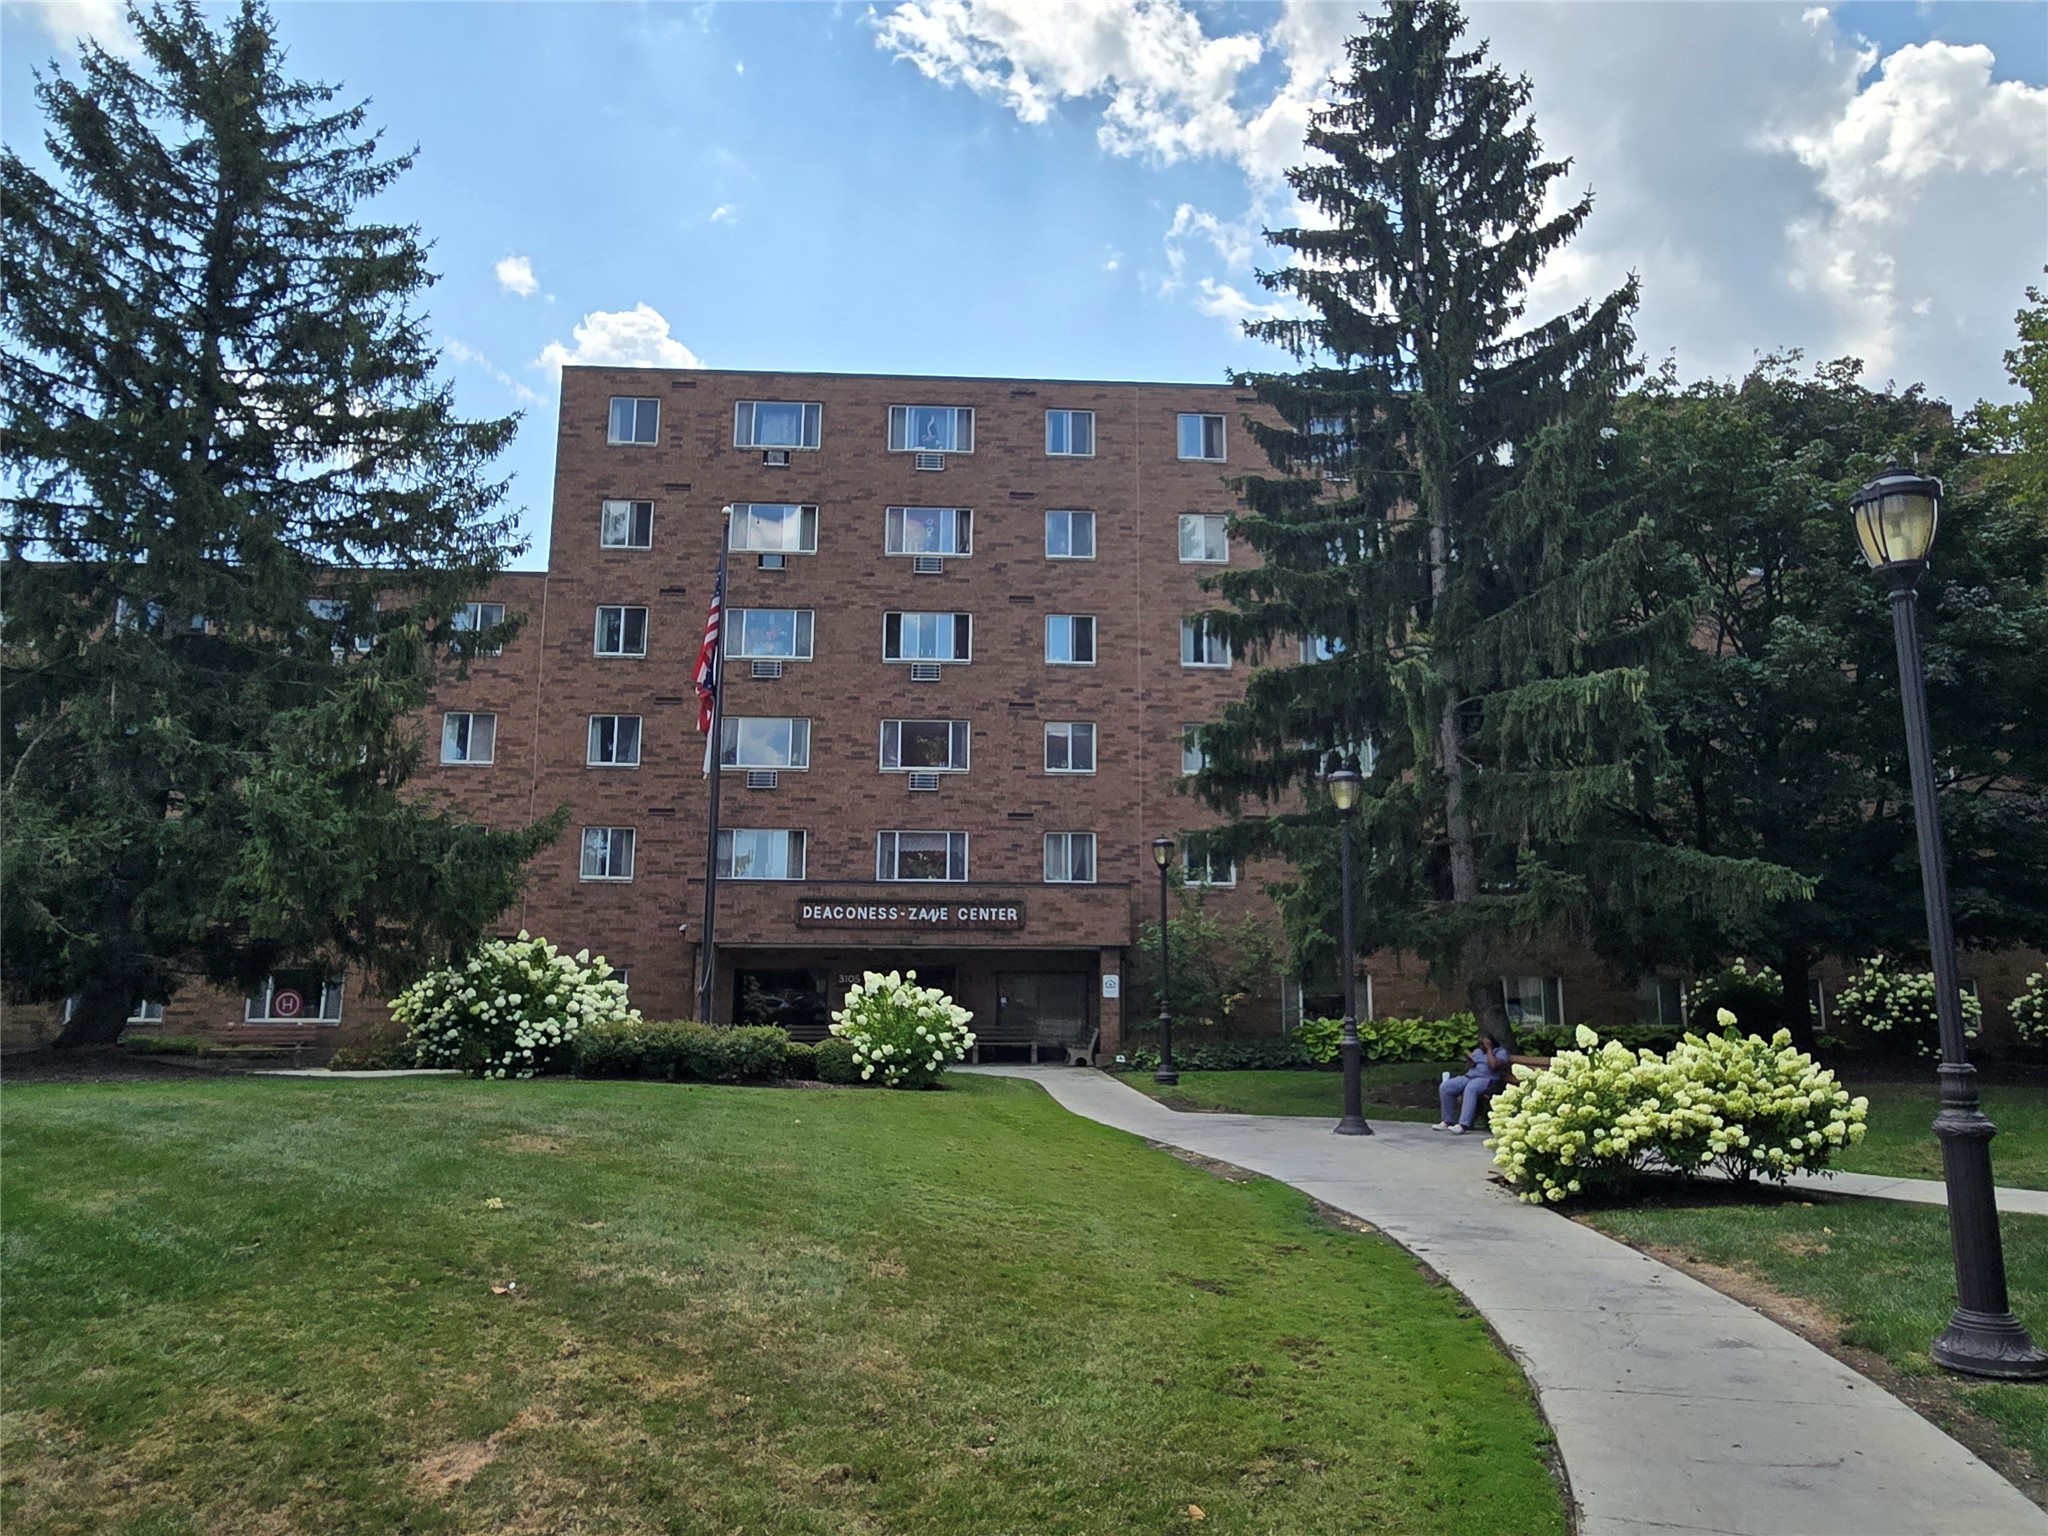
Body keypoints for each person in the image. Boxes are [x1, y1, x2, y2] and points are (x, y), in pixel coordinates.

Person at [1435, 1031, 1512, 1134]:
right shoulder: (1477, 1051)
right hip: (1470, 1077)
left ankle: (1463, 1124)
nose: (1481, 1046)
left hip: (1488, 1079)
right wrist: (1470, 1062)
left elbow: (1493, 1065)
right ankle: (1447, 1121)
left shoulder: (1500, 1052)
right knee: (1446, 1086)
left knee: (1471, 1088)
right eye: (1480, 1043)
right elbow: (1470, 1069)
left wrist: (1489, 1049)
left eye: (1484, 1043)